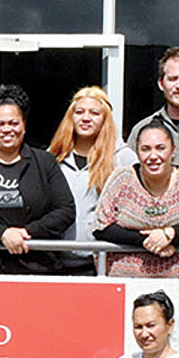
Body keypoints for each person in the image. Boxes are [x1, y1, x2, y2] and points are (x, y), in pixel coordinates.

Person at [0, 85, 76, 275]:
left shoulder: (45, 162)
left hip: (37, 266)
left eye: (13, 123)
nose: (7, 129)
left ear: (24, 125)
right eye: (0, 124)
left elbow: (65, 210)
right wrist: (2, 234)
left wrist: (26, 232)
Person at [94, 119, 179, 278]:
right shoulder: (121, 179)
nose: (153, 156)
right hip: (127, 279)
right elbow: (101, 228)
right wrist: (147, 241)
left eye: (161, 148)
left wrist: (171, 235)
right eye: (146, 149)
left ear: (173, 150)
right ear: (137, 152)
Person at [47, 86, 136, 274]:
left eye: (94, 113)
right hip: (55, 260)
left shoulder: (122, 157)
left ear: (105, 119)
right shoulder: (53, 157)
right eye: (79, 112)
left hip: (101, 262)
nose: (86, 118)